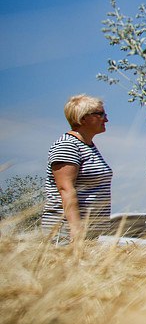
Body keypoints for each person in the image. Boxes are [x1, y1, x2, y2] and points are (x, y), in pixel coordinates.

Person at [42, 94, 113, 243]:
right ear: (83, 118)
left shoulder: (88, 146)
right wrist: (76, 229)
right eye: (100, 114)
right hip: (66, 232)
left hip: (89, 231)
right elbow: (65, 189)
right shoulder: (67, 145)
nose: (105, 119)